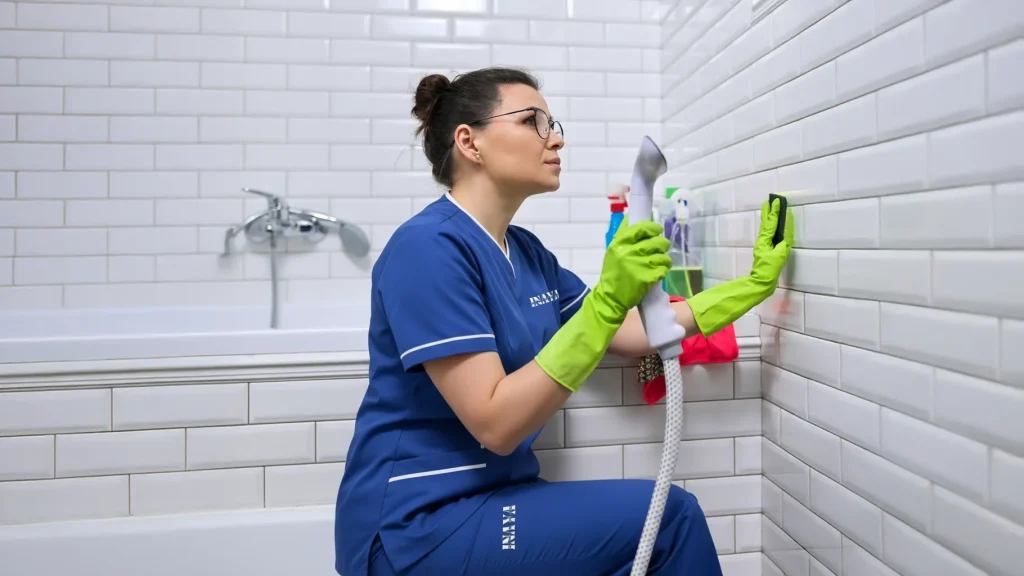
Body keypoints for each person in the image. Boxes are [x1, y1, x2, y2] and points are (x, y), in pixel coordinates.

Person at [334, 67, 793, 576]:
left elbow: (633, 334)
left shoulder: (527, 253)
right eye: (534, 121)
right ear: (470, 142)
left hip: (493, 499)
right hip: (417, 525)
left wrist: (751, 287)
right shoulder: (426, 249)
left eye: (554, 124)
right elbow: (497, 425)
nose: (557, 139)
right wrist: (605, 303)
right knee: (669, 520)